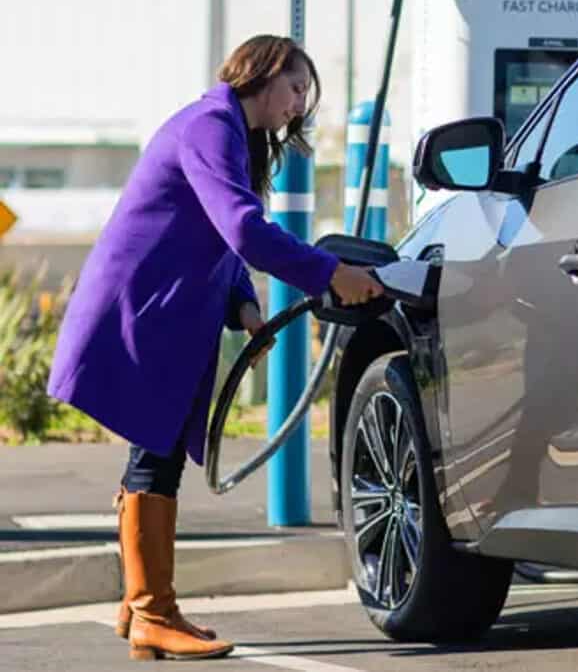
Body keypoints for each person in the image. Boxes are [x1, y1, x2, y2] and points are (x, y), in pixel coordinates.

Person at [46, 34, 382, 661]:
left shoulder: (225, 131)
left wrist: (245, 306)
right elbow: (242, 228)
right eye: (297, 87)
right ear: (265, 72)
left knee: (157, 452)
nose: (300, 105)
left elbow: (219, 235)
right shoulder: (209, 123)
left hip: (162, 311)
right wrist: (330, 272)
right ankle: (152, 612)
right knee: (156, 452)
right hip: (144, 311)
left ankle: (140, 605)